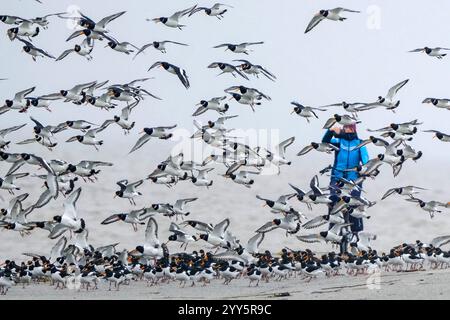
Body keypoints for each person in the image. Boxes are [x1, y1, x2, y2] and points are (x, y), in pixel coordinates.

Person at [322, 123, 369, 253]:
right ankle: (333, 231)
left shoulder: (360, 143)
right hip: (336, 179)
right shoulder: (338, 142)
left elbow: (366, 160)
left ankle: (356, 233)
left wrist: (365, 169)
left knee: (354, 206)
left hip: (353, 181)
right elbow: (325, 142)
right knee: (332, 201)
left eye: (350, 127)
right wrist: (330, 131)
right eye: (345, 127)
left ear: (354, 129)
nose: (347, 129)